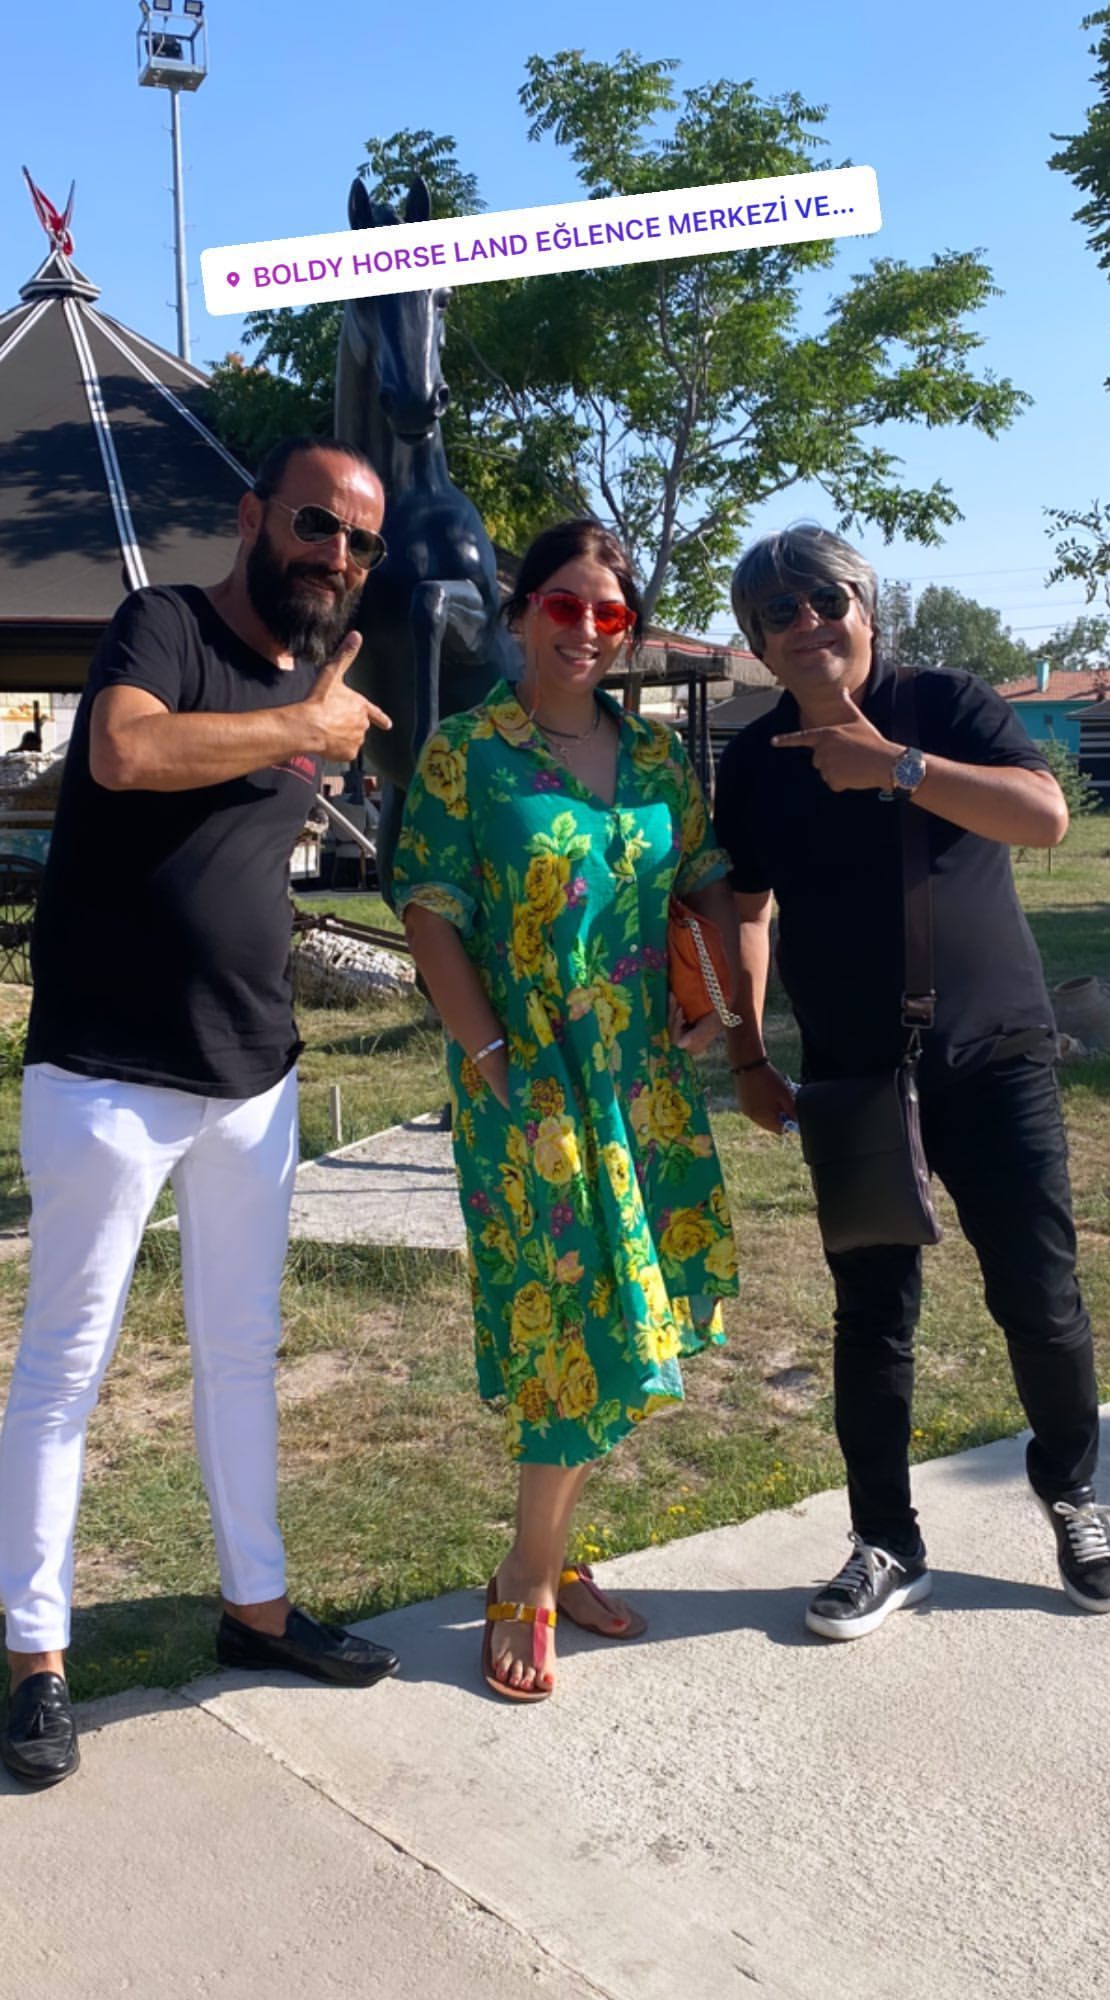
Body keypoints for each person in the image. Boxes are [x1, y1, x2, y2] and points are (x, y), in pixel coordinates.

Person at [0, 437, 400, 1789]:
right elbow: (122, 753)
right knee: (66, 1368)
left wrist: (319, 728)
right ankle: (36, 1659)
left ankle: (257, 1610)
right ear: (253, 517)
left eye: (356, 542)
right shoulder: (162, 625)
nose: (333, 555)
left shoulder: (316, 674)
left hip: (253, 1078)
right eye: (314, 524)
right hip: (108, 1075)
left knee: (242, 1352)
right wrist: (301, 729)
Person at [714, 524, 1110, 1639]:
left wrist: (896, 765)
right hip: (851, 1078)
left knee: (1038, 1296)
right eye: (778, 613)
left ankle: (1073, 1494)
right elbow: (743, 911)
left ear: (866, 607)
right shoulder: (754, 763)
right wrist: (747, 1055)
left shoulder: (943, 703)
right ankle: (886, 1542)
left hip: (995, 1058)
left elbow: (1043, 817)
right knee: (872, 1316)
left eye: (825, 601)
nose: (808, 625)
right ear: (757, 641)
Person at [393, 518, 739, 1700]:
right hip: (532, 1086)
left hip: (643, 1083)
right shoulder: (467, 751)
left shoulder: (655, 758)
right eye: (563, 604)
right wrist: (490, 1054)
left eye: (609, 612)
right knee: (568, 1329)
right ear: (520, 610)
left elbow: (709, 881)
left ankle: (549, 1549)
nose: (586, 628)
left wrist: (724, 1005)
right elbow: (428, 908)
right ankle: (527, 1573)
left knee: (631, 1322)